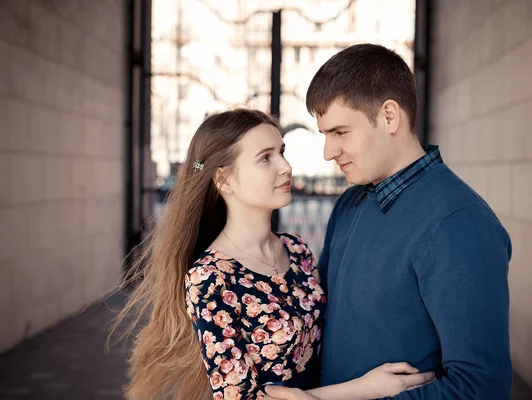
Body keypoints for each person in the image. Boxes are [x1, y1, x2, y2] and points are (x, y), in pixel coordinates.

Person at [111, 109, 434, 400]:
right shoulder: (210, 278)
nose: (286, 167)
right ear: (223, 179)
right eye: (266, 158)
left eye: (281, 152)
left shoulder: (296, 249)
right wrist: (367, 388)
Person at [264, 44, 512, 400]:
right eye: (325, 135)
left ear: (390, 117)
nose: (328, 151)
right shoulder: (350, 203)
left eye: (340, 132)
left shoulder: (460, 224)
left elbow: (480, 389)